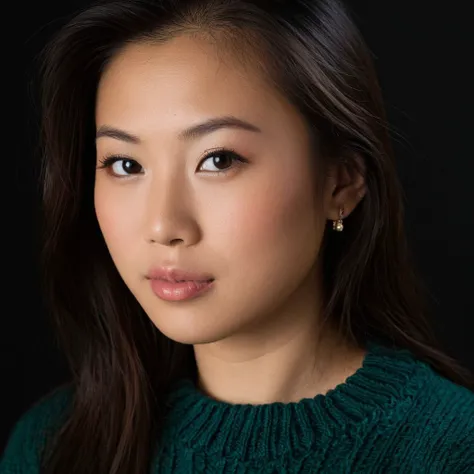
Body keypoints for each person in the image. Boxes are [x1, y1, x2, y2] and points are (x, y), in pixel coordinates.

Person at [3, 0, 473, 472]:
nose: (164, 226)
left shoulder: (452, 448)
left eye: (218, 160)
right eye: (126, 165)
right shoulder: (52, 445)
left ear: (341, 183)